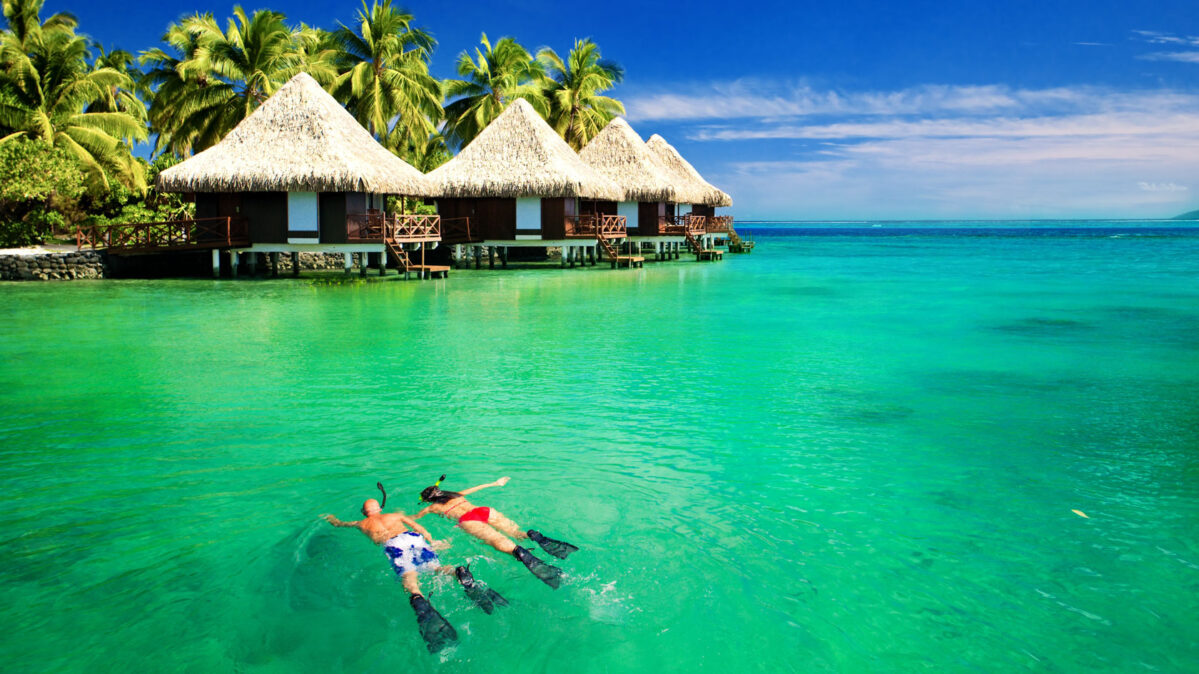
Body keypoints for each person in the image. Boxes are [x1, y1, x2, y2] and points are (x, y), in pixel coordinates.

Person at [322, 498, 506, 653]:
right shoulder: (396, 516)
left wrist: (330, 518)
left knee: (408, 574)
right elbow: (419, 527)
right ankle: (457, 572)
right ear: (380, 508)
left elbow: (339, 524)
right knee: (436, 567)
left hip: (393, 545)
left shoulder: (360, 523)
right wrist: (432, 540)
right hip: (412, 538)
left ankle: (417, 597)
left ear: (364, 512)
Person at [414, 476, 578, 589]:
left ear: (429, 500)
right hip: (483, 511)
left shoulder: (432, 507)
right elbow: (478, 487)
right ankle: (532, 536)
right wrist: (497, 483)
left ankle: (519, 552)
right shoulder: (457, 494)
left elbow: (414, 518)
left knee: (501, 542)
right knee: (516, 532)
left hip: (468, 520)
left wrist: (405, 516)